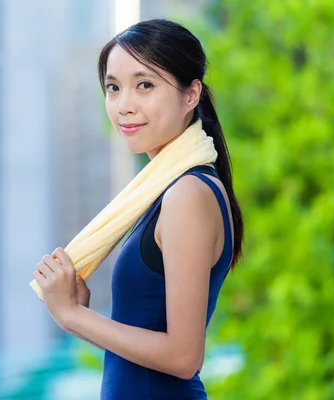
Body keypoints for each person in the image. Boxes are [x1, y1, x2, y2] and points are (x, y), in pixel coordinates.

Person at [32, 19, 245, 399]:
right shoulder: (163, 192)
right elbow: (140, 350)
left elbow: (183, 357)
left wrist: (73, 315)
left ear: (191, 94)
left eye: (144, 85)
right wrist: (76, 320)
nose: (124, 105)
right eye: (113, 88)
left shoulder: (188, 194)